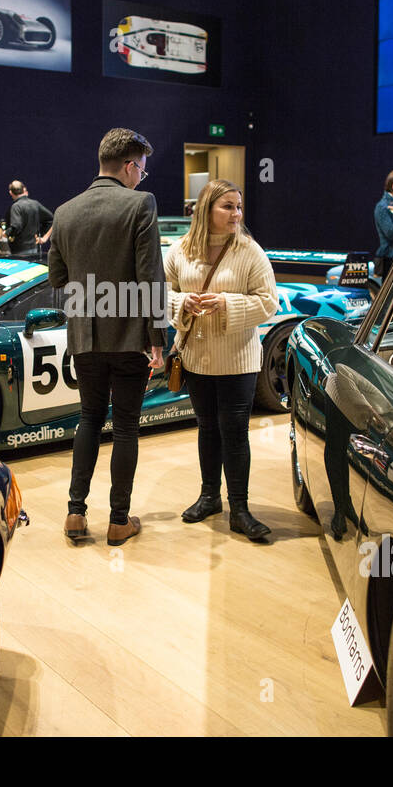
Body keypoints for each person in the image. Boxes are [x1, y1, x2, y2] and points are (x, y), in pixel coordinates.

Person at [48, 128, 165, 548]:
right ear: (131, 166)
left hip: (83, 333)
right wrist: (158, 337)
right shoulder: (140, 204)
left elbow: (57, 280)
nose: (141, 179)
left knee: (88, 418)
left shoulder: (64, 211)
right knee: (127, 425)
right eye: (142, 171)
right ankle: (119, 521)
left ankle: (75, 514)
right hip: (130, 335)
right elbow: (151, 274)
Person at [164, 180, 279, 541]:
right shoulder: (180, 250)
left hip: (238, 360)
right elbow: (161, 294)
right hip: (196, 357)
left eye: (239, 207)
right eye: (227, 207)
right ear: (206, 209)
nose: (236, 214)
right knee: (207, 427)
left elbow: (268, 302)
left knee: (234, 431)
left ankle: (240, 509)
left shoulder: (250, 251)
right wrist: (182, 304)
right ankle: (209, 496)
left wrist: (227, 304)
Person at [2, 180, 54, 259]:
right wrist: (43, 236)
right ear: (24, 189)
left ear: (11, 193)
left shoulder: (16, 207)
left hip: (19, 250)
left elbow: (16, 226)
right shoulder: (35, 204)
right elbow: (51, 219)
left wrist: (6, 233)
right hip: (35, 248)